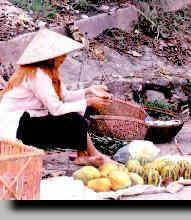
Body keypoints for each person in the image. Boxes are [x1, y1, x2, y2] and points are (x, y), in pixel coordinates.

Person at [0, 29, 115, 167]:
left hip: (28, 119)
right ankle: (93, 154)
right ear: (51, 57)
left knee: (79, 112)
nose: (64, 58)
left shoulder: (48, 72)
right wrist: (88, 101)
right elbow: (56, 109)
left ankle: (84, 154)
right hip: (15, 127)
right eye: (61, 55)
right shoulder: (37, 74)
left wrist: (89, 91)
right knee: (73, 119)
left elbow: (64, 96)